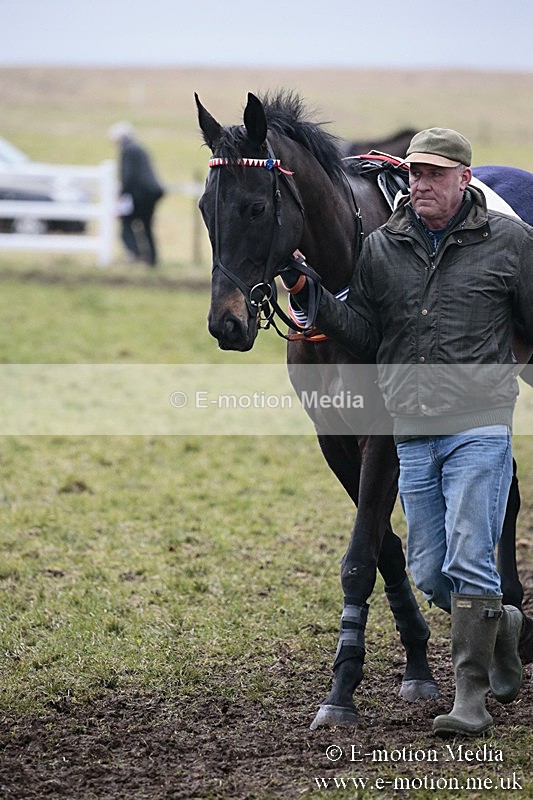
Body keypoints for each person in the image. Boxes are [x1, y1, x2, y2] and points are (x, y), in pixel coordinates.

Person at [281, 128, 533, 736]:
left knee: (471, 563)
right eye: (414, 173)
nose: (420, 184)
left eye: (435, 175)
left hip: (478, 428)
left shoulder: (511, 242)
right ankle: (506, 626)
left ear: (464, 179)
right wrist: (312, 297)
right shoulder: (384, 248)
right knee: (429, 572)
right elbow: (365, 335)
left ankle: (467, 701)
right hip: (414, 433)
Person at [108, 122, 165, 266]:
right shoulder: (138, 147)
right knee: (146, 226)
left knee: (126, 224)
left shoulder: (127, 150)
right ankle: (151, 259)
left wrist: (120, 194)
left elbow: (128, 177)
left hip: (142, 194)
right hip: (151, 192)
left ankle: (135, 254)